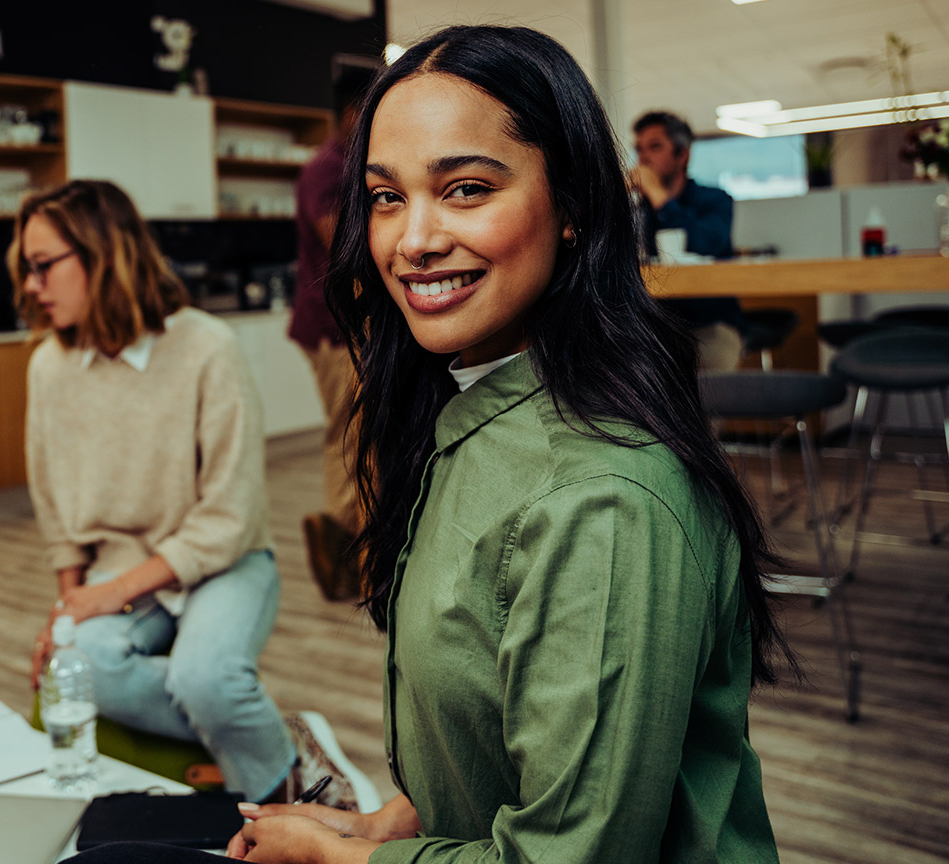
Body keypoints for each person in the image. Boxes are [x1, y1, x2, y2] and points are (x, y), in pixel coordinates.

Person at [68, 25, 792, 864]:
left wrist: (340, 858)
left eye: (467, 189)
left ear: (575, 209)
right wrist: (393, 821)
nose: (411, 241)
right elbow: (507, 738)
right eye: (384, 196)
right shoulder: (470, 408)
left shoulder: (603, 502)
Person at [14, 180, 370, 809]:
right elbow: (57, 517)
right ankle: (277, 737)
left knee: (206, 679)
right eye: (26, 269)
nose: (31, 286)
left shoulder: (207, 347)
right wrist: (69, 612)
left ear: (104, 255)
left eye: (42, 266)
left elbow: (230, 518)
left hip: (225, 564)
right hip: (120, 572)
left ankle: (291, 809)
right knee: (72, 675)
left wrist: (108, 595)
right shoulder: (48, 366)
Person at [291, 62, 376, 602]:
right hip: (331, 327)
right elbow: (341, 246)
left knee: (362, 432)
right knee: (350, 434)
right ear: (352, 114)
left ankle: (352, 549)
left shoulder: (356, 162)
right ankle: (344, 549)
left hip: (349, 322)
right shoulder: (327, 169)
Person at [632, 109, 743, 371]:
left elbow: (706, 244)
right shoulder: (638, 209)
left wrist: (659, 197)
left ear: (683, 154)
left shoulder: (715, 199)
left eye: (655, 147)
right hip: (655, 326)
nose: (644, 158)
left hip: (710, 323)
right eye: (639, 149)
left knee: (709, 393)